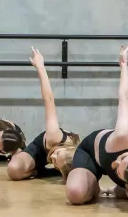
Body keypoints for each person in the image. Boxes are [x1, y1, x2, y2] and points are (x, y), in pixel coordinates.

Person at [64, 45, 128, 217]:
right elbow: (124, 97)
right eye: (122, 159)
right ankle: (92, 185)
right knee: (75, 194)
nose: (116, 162)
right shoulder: (125, 135)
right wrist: (124, 65)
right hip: (91, 154)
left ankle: (118, 190)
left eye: (119, 170)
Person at [6, 48, 79, 181]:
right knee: (13, 171)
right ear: (66, 149)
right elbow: (49, 99)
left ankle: (49, 171)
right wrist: (40, 67)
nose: (53, 158)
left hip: (66, 163)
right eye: (57, 154)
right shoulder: (54, 137)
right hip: (40, 149)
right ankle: (36, 170)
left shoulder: (74, 164)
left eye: (56, 163)